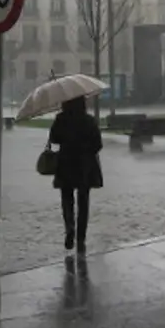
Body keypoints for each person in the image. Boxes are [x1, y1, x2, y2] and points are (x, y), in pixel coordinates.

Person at [49, 96, 103, 254]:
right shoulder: (89, 120)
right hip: (84, 166)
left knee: (67, 199)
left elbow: (54, 139)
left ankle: (69, 227)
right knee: (83, 201)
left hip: (66, 163)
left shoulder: (61, 119)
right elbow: (98, 144)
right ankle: (81, 236)